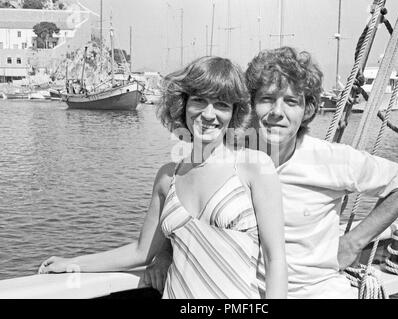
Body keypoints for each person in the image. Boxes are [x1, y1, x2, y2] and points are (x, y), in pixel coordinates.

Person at [145, 47, 398, 299]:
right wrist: (167, 254)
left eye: (291, 101)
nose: (278, 112)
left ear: (309, 109)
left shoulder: (333, 160)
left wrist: (353, 242)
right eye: (266, 99)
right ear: (250, 105)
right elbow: (193, 213)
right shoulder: (227, 158)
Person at [38, 56, 287, 299]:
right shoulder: (168, 177)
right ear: (184, 104)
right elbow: (141, 251)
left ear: (234, 112)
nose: (209, 114)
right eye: (199, 100)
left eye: (222, 104)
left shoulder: (253, 168)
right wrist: (74, 263)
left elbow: (275, 260)